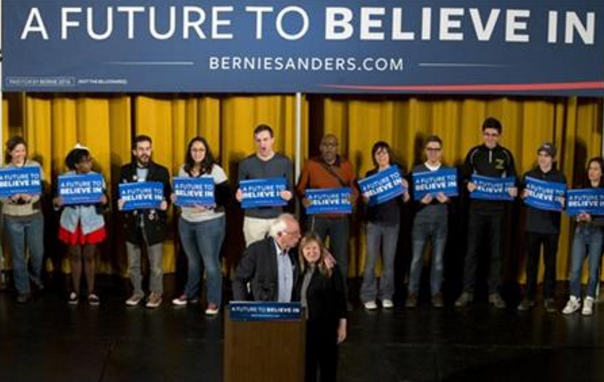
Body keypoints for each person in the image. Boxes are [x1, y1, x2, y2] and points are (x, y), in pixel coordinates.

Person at [456, 117, 517, 309]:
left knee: (496, 253)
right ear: (482, 134)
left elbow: (513, 180)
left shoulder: (506, 155)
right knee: (472, 252)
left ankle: (494, 292)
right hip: (476, 210)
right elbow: (464, 177)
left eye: (494, 134)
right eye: (487, 134)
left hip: (498, 212)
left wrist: (513, 189)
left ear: (499, 136)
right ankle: (467, 292)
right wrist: (468, 184)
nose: (490, 137)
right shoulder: (474, 153)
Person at [171, 137, 230, 316]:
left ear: (206, 152)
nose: (197, 153)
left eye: (201, 150)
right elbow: (179, 193)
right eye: (194, 150)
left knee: (210, 263)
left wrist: (210, 204)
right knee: (193, 261)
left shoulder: (216, 171)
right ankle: (191, 293)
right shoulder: (183, 169)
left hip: (210, 222)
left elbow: (226, 196)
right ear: (190, 152)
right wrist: (174, 197)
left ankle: (213, 301)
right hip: (187, 221)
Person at [297, 134, 358, 305]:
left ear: (337, 147)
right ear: (320, 147)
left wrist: (353, 198)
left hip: (340, 218)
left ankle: (342, 298)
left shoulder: (346, 165)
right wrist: (303, 199)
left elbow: (354, 188)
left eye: (332, 145)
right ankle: (313, 296)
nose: (329, 148)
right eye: (325, 144)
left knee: (341, 260)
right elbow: (301, 188)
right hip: (318, 218)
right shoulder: (311, 164)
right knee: (313, 257)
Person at [119, 135, 171, 309]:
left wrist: (166, 204)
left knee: (155, 265)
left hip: (153, 224)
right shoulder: (125, 170)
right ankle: (137, 292)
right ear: (134, 152)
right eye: (141, 149)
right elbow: (120, 195)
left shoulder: (162, 171)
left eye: (148, 148)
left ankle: (156, 293)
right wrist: (120, 202)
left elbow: (167, 196)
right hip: (132, 223)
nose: (145, 152)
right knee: (133, 264)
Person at [54, 145, 108, 306]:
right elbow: (57, 201)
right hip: (72, 223)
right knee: (75, 257)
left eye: (90, 160)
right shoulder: (65, 178)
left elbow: (105, 201)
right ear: (76, 164)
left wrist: (105, 201)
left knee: (90, 257)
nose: (89, 163)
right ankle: (75, 292)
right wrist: (57, 202)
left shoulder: (97, 178)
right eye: (85, 161)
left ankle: (91, 292)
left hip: (92, 222)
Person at [517, 143, 566, 313]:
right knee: (531, 264)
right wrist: (523, 194)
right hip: (532, 225)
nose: (542, 158)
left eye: (546, 155)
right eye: (540, 155)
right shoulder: (529, 176)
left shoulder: (560, 177)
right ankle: (529, 297)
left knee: (550, 264)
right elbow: (520, 196)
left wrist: (563, 202)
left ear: (553, 158)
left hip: (551, 227)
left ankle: (548, 297)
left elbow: (564, 202)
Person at [360, 141, 409, 310]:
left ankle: (386, 295)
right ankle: (368, 295)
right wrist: (365, 198)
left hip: (392, 222)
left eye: (384, 152)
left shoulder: (398, 173)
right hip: (374, 222)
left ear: (389, 155)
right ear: (374, 157)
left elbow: (406, 200)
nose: (381, 156)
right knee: (371, 261)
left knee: (389, 262)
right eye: (378, 153)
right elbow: (366, 202)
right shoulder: (370, 174)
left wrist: (406, 190)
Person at [406, 136, 453, 309]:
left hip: (441, 221)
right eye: (430, 149)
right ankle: (412, 293)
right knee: (416, 260)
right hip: (421, 222)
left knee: (438, 261)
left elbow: (455, 201)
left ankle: (436, 293)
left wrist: (447, 199)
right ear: (426, 151)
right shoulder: (416, 171)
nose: (433, 152)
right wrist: (421, 203)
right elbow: (408, 202)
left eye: (437, 149)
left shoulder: (448, 172)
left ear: (441, 151)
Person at [297, 233, 347, 382]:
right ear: (302, 251)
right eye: (307, 248)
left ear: (321, 249)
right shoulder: (298, 270)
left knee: (328, 370)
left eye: (315, 248)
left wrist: (342, 325)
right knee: (307, 369)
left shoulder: (331, 269)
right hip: (303, 327)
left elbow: (340, 298)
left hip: (326, 328)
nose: (311, 252)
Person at [1, 136, 45, 303]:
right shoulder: (4, 170)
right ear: (10, 152)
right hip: (12, 216)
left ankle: (33, 278)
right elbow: (1, 194)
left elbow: (41, 188)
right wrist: (11, 197)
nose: (21, 154)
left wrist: (30, 197)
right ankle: (23, 289)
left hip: (33, 214)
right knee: (18, 255)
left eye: (23, 150)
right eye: (17, 151)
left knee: (37, 253)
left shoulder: (35, 166)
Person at [236, 124, 293, 247]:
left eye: (265, 139)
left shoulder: (284, 162)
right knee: (253, 255)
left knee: (277, 255)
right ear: (255, 142)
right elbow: (239, 189)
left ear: (272, 140)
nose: (262, 144)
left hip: (277, 218)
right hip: (253, 218)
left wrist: (289, 195)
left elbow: (290, 189)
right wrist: (239, 195)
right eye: (258, 140)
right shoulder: (246, 163)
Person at [562, 157, 604, 316]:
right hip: (581, 231)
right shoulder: (580, 189)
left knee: (593, 270)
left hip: (597, 234)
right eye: (590, 168)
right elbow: (572, 210)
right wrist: (576, 218)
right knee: (575, 268)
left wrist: (592, 219)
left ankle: (589, 299)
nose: (591, 172)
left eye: (595, 169)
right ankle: (574, 299)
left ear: (601, 173)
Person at [232, 213, 301, 302]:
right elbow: (239, 279)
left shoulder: (294, 254)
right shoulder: (257, 250)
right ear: (280, 234)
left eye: (299, 232)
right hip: (263, 312)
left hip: (288, 313)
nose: (299, 236)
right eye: (294, 233)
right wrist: (242, 308)